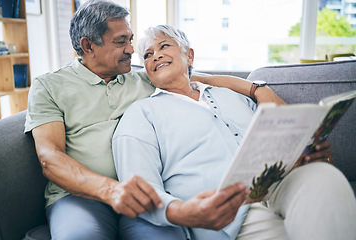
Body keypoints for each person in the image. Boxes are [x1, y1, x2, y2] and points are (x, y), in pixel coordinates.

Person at [25, 1, 286, 239]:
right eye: (120, 42)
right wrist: (113, 191)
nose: (131, 50)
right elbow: (51, 158)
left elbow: (197, 78)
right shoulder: (49, 86)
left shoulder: (142, 78)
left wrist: (257, 89)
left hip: (145, 193)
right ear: (88, 46)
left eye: (130, 39)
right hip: (81, 197)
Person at [112, 25, 356, 240]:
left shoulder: (230, 95)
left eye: (164, 46)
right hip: (231, 215)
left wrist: (302, 153)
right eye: (147, 54)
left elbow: (274, 137)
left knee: (324, 175)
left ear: (189, 55)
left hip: (279, 184)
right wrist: (182, 211)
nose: (156, 56)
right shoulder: (141, 114)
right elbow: (140, 188)